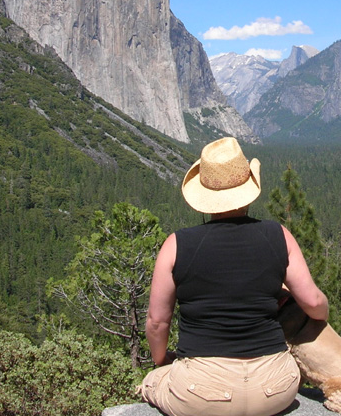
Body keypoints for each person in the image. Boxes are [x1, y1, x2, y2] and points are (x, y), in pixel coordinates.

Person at [140, 137, 329, 416]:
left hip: (201, 393)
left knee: (152, 382)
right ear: (247, 191)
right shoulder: (279, 235)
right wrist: (323, 313)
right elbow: (313, 302)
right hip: (276, 388)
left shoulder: (176, 245)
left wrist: (161, 361)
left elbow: (157, 323)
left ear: (204, 197)